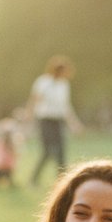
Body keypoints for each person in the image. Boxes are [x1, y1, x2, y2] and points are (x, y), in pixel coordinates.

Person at [27, 55, 82, 187]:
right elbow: (35, 99)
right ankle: (33, 179)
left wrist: (74, 123)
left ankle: (62, 182)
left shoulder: (64, 85)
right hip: (45, 120)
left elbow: (66, 106)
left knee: (61, 151)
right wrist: (29, 116)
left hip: (58, 121)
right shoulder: (43, 82)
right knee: (48, 151)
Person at [0, 110, 23, 189]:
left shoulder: (7, 125)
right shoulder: (10, 126)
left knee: (2, 169)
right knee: (5, 169)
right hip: (5, 158)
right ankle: (0, 180)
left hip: (2, 157)